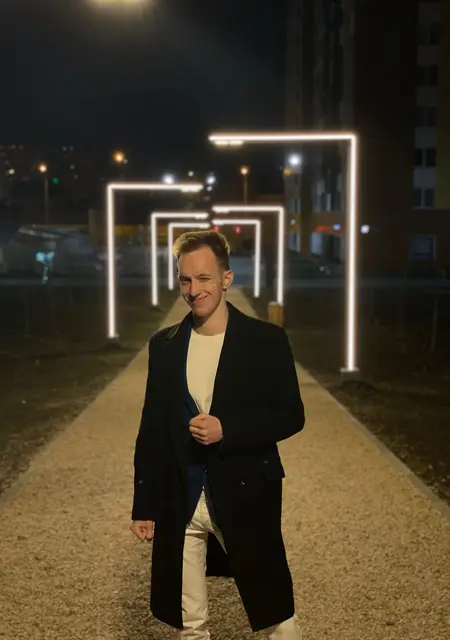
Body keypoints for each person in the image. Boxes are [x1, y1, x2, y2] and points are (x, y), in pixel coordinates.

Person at [130, 230, 305, 639]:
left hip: (245, 491)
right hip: (181, 497)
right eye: (185, 280)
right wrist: (143, 504)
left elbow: (291, 416)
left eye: (204, 278)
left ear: (226, 278)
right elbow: (151, 428)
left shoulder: (266, 340)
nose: (194, 290)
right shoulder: (164, 345)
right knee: (189, 622)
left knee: (275, 612)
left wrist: (228, 430)